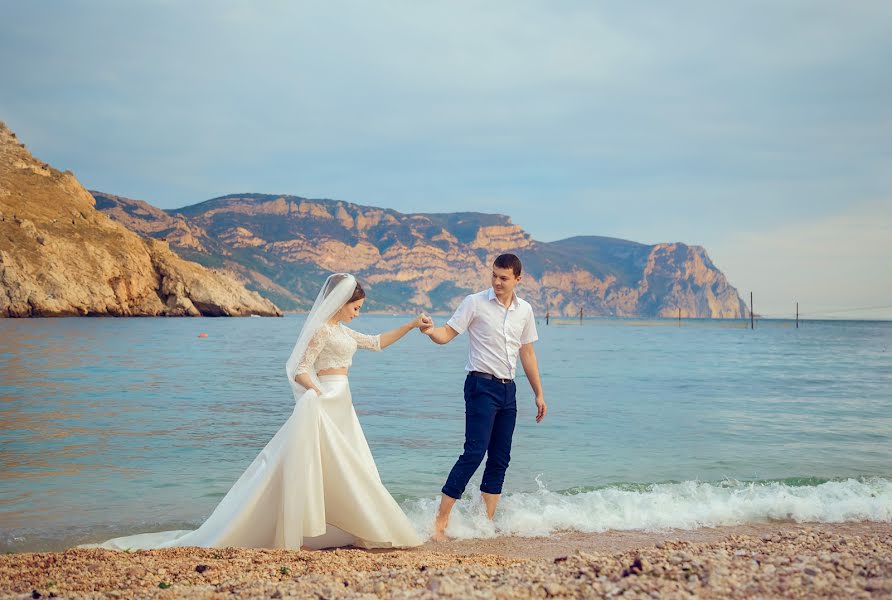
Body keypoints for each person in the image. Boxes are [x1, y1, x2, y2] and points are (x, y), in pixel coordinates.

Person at [83, 273, 426, 550]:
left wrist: (411, 325)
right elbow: (300, 369)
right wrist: (316, 392)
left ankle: (350, 524)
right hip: (324, 400)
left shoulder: (343, 331)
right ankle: (313, 525)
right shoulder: (321, 330)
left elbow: (377, 342)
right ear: (340, 302)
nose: (358, 312)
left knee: (349, 463)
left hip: (343, 402)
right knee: (323, 461)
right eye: (356, 307)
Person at [419, 253, 546, 541]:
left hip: (508, 390)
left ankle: (485, 523)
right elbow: (446, 334)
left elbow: (527, 352)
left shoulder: (524, 310)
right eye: (494, 276)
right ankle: (440, 523)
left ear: (517, 279)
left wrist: (539, 393)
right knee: (474, 453)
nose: (497, 282)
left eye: (504, 278)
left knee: (500, 458)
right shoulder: (474, 303)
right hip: (480, 387)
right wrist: (429, 331)